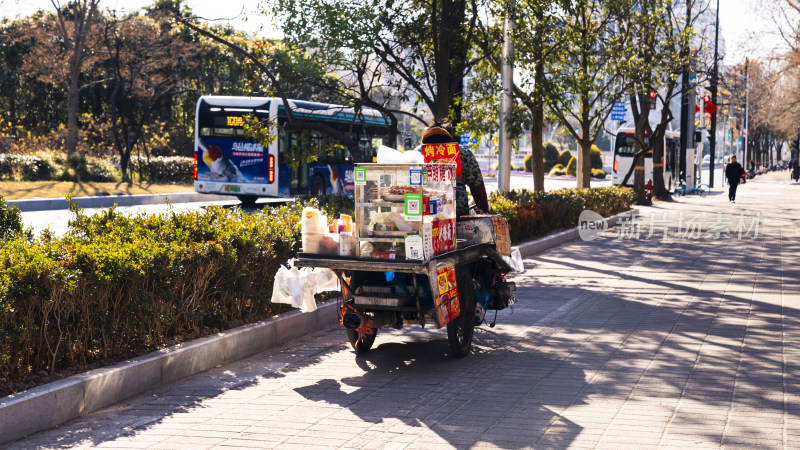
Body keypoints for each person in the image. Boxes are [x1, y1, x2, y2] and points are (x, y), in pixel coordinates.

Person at [421, 120, 489, 217]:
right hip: (456, 217)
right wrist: (484, 210)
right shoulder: (463, 153)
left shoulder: (418, 153)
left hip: (425, 215)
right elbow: (477, 187)